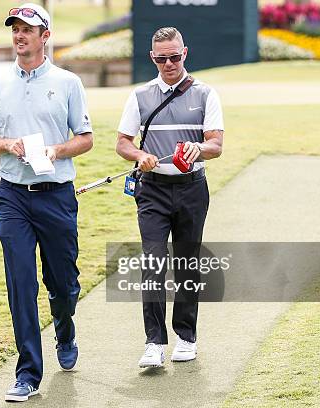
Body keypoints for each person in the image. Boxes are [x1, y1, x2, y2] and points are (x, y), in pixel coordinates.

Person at [0, 3, 93, 402]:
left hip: (56, 196)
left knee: (63, 283)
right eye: (15, 30)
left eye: (28, 29)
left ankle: (64, 325)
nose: (20, 36)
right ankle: (27, 375)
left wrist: (57, 151)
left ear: (45, 36)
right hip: (12, 198)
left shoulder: (68, 82)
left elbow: (85, 138)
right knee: (21, 284)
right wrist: (7, 144)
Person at [115, 27, 223, 368]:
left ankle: (186, 337)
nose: (169, 64)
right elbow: (122, 143)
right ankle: (154, 342)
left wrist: (198, 147)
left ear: (185, 53)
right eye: (162, 59)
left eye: (175, 57)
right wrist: (138, 156)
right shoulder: (140, 96)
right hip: (152, 190)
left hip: (192, 187)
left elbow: (216, 145)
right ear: (153, 58)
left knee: (186, 262)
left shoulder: (206, 94)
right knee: (153, 262)